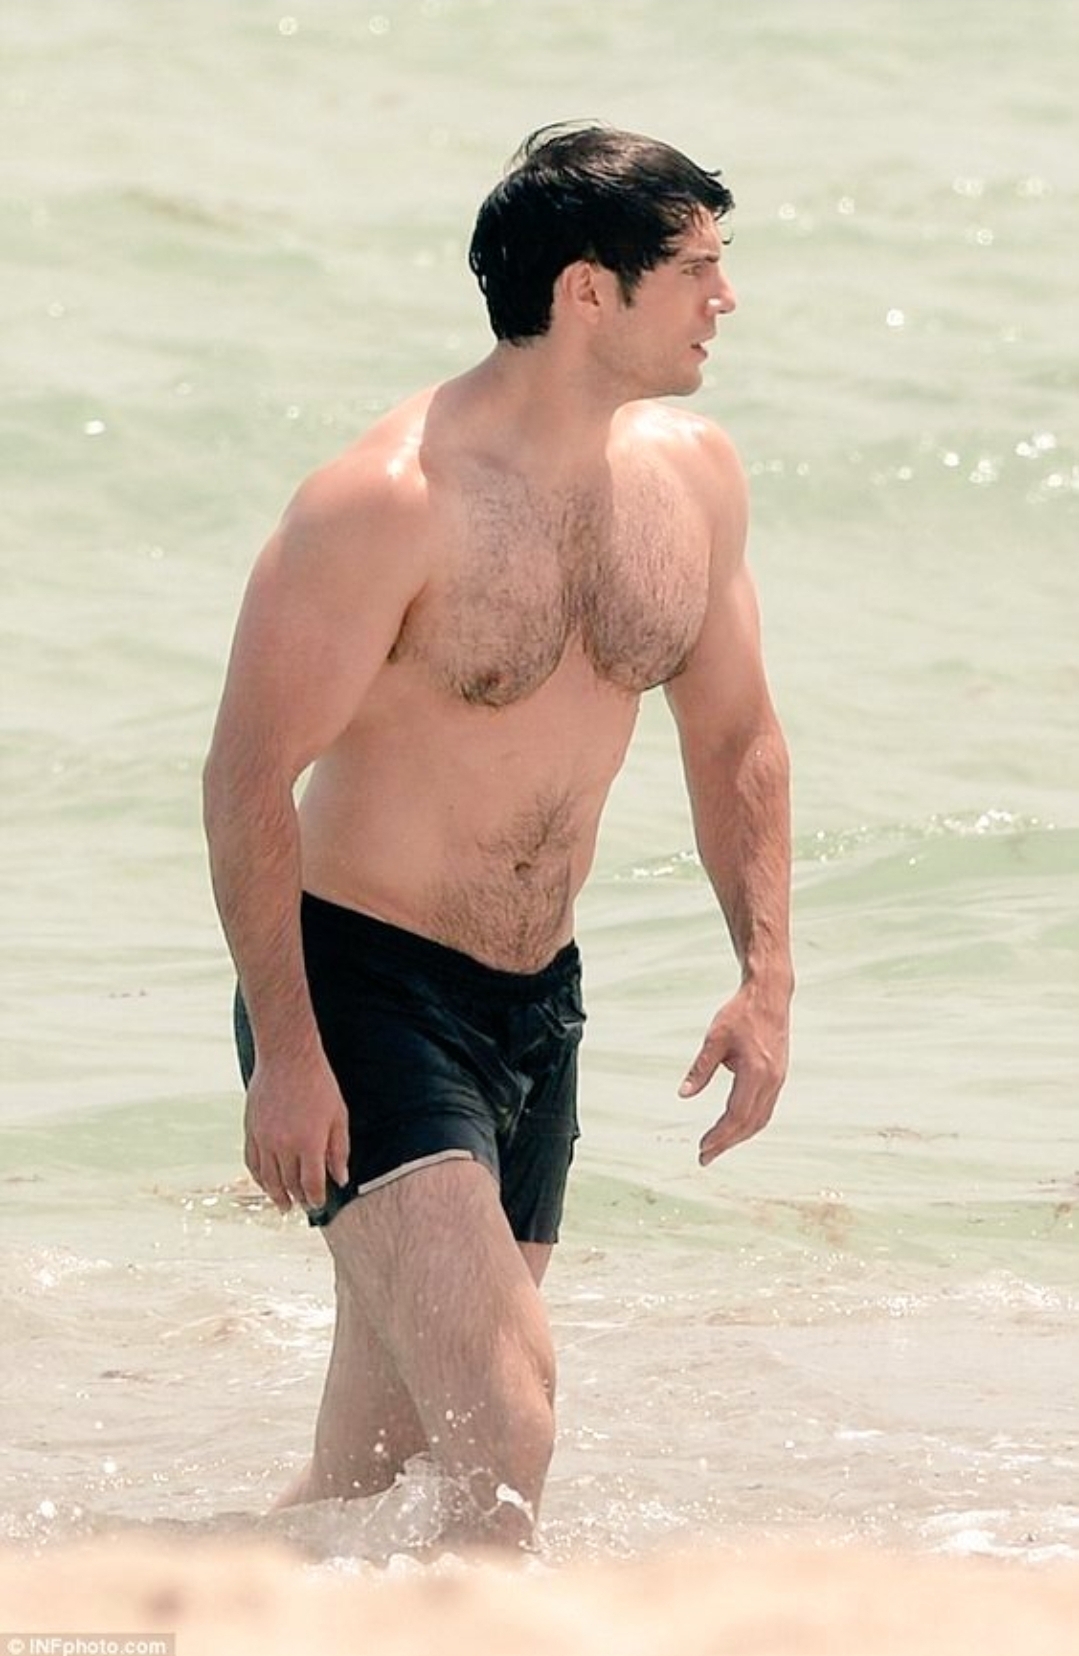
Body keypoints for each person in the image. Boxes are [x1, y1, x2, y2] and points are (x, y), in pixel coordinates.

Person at [202, 122, 793, 1549]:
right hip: (364, 990)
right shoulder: (383, 506)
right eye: (698, 269)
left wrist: (765, 977)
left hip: (538, 1006)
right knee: (506, 1422)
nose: (727, 298)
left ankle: (177, 1602)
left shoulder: (694, 480)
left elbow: (736, 740)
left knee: (378, 1466)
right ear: (589, 290)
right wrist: (289, 1052)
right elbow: (246, 780)